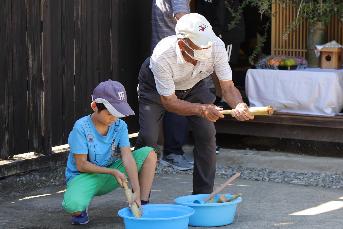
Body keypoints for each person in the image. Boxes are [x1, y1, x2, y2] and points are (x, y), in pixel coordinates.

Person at [136, 13, 254, 194]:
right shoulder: (162, 55)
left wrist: (239, 105)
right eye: (199, 52)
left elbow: (228, 88)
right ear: (182, 44)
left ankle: (202, 196)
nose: (203, 57)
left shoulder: (216, 45)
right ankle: (139, 198)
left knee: (207, 134)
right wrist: (201, 109)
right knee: (148, 138)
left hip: (193, 85)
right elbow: (170, 103)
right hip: (155, 88)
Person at [62, 80, 157, 225]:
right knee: (73, 206)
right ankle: (82, 207)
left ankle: (141, 203)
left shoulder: (120, 126)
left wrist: (135, 189)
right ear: (95, 106)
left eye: (117, 113)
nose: (114, 118)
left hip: (110, 174)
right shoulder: (80, 127)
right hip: (84, 177)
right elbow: (81, 165)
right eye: (110, 113)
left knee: (149, 154)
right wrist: (112, 172)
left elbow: (127, 157)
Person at [151, 0, 193, 171]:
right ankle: (173, 153)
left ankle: (168, 152)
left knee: (169, 102)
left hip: (162, 52)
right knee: (177, 104)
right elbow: (183, 19)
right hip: (174, 55)